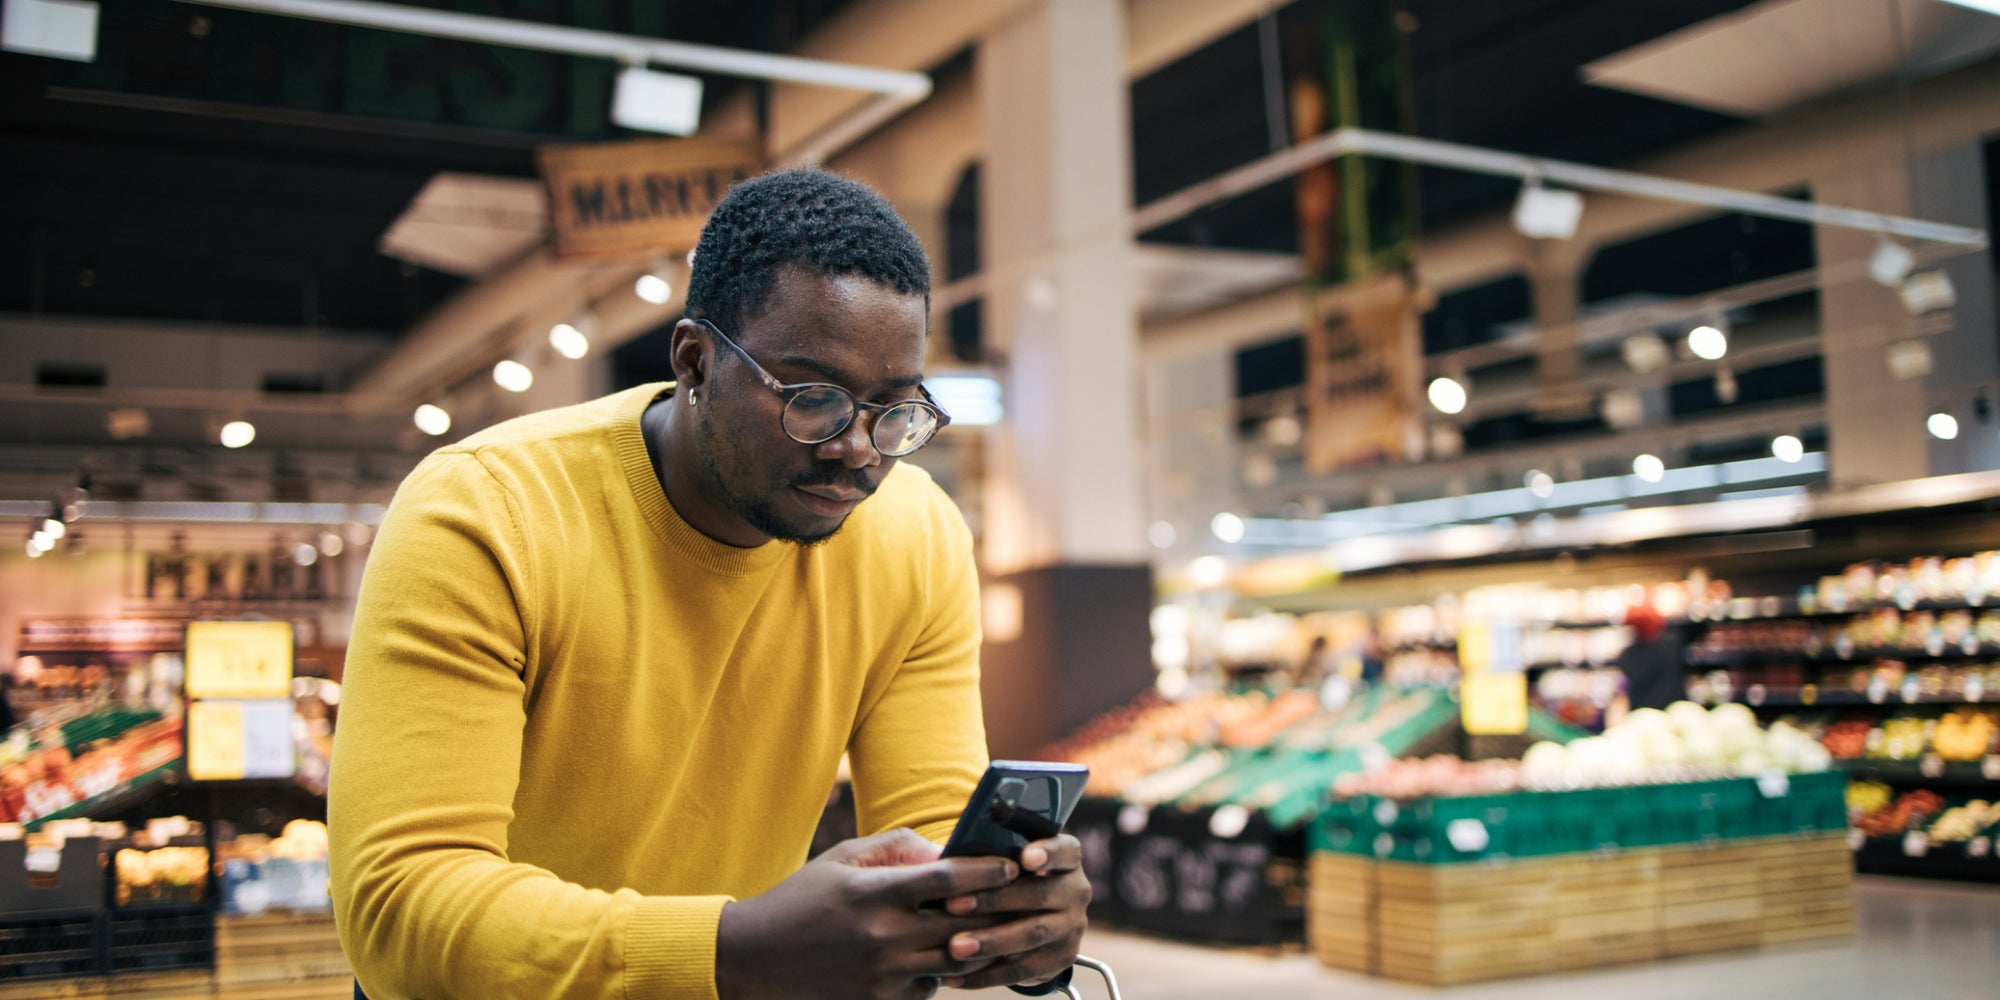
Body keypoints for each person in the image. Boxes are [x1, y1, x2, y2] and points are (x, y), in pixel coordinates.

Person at [329, 169, 1089, 999]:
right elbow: (399, 910)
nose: (858, 447)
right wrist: (733, 951)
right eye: (813, 399)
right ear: (695, 359)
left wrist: (994, 906)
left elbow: (929, 829)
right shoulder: (489, 512)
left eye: (894, 407)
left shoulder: (915, 531)